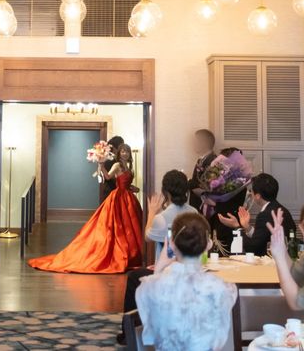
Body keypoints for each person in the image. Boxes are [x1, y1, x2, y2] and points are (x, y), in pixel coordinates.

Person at [28, 142, 142, 273]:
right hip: (118, 198)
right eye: (122, 151)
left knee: (130, 226)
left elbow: (125, 183)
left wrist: (132, 188)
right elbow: (108, 177)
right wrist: (101, 165)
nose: (125, 153)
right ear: (119, 153)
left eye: (127, 151)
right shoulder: (117, 165)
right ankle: (120, 253)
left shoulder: (129, 167)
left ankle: (131, 254)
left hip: (128, 198)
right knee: (118, 227)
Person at [116, 170, 196, 345]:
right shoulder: (194, 212)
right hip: (191, 271)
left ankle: (128, 332)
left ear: (166, 192)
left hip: (167, 273)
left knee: (133, 277)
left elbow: (147, 236)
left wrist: (152, 211)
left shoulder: (162, 218)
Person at [136, 212, 237, 351]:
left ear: (171, 243)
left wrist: (159, 268)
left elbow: (151, 335)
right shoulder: (223, 289)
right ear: (208, 244)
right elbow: (219, 341)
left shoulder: (148, 287)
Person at [217, 173, 295, 256]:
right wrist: (247, 227)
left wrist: (237, 227)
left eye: (251, 191)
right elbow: (262, 237)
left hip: (270, 260)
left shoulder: (265, 215)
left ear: (257, 196)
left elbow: (252, 247)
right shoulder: (283, 210)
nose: (250, 193)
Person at [188, 129, 216, 210]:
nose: (193, 144)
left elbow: (204, 186)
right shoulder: (201, 160)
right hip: (196, 205)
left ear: (204, 143)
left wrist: (187, 182)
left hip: (205, 207)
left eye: (196, 141)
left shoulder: (213, 161)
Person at [100, 135, 125, 203]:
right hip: (111, 191)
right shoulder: (109, 161)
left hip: (118, 192)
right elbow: (109, 177)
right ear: (114, 147)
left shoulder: (119, 161)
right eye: (121, 146)